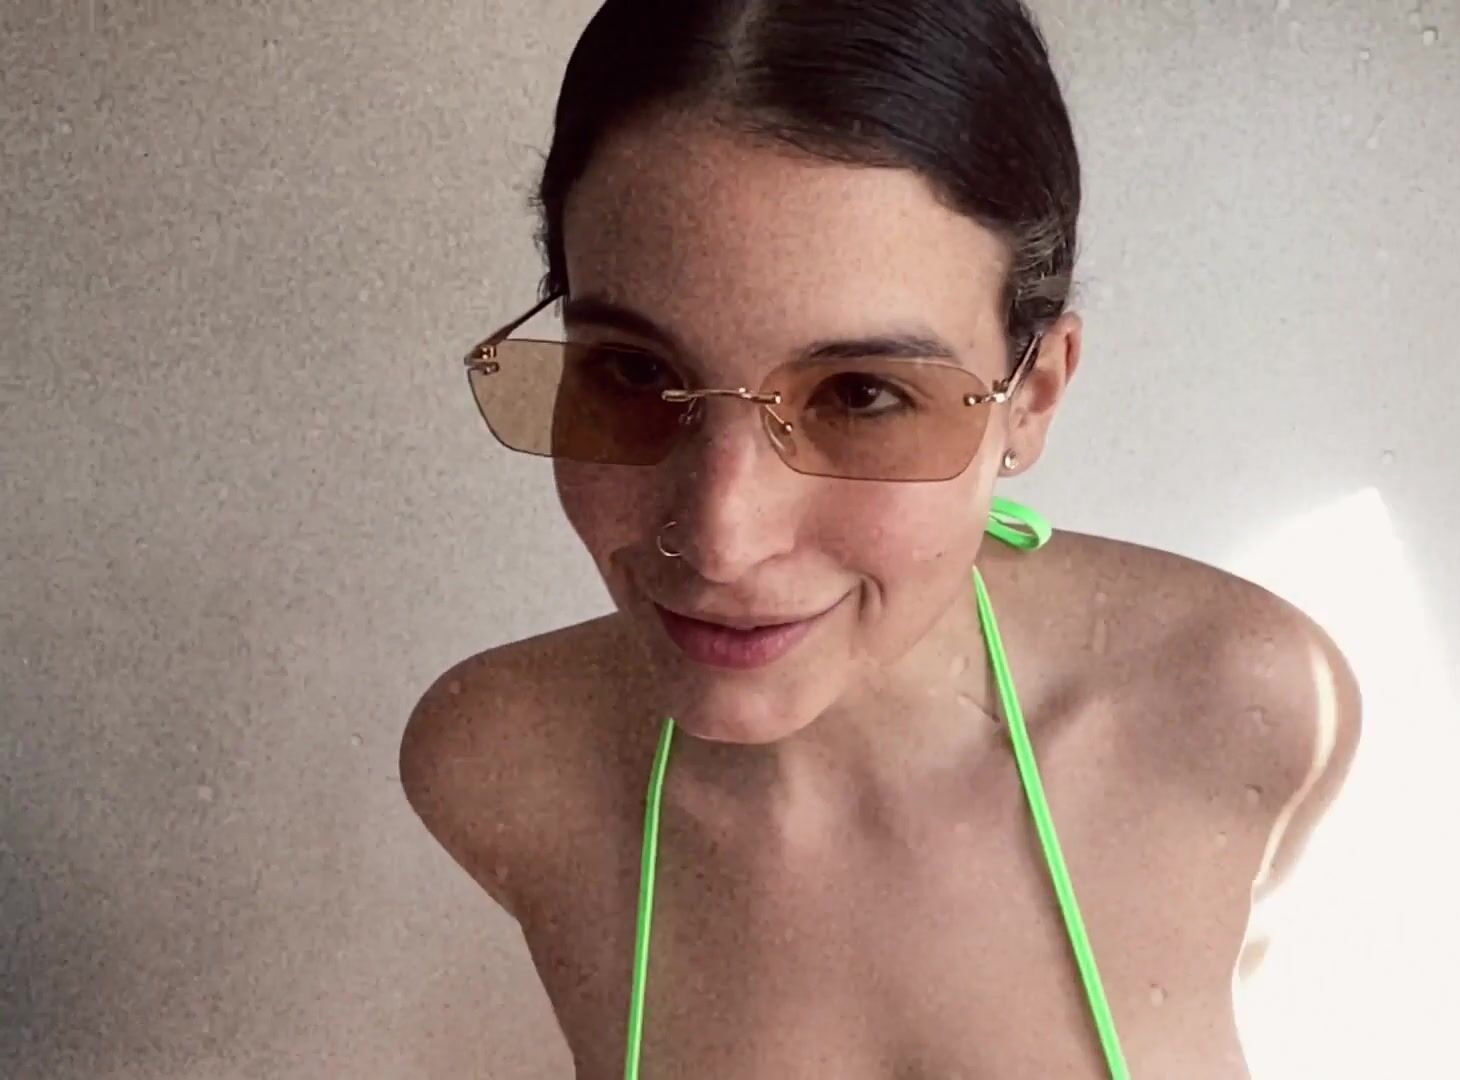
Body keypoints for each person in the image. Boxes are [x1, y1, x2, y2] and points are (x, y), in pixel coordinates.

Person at [400, 1, 1361, 1076]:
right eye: (632, 372)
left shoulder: (1242, 708)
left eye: (860, 393)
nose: (721, 541)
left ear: (1033, 396)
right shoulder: (500, 763)